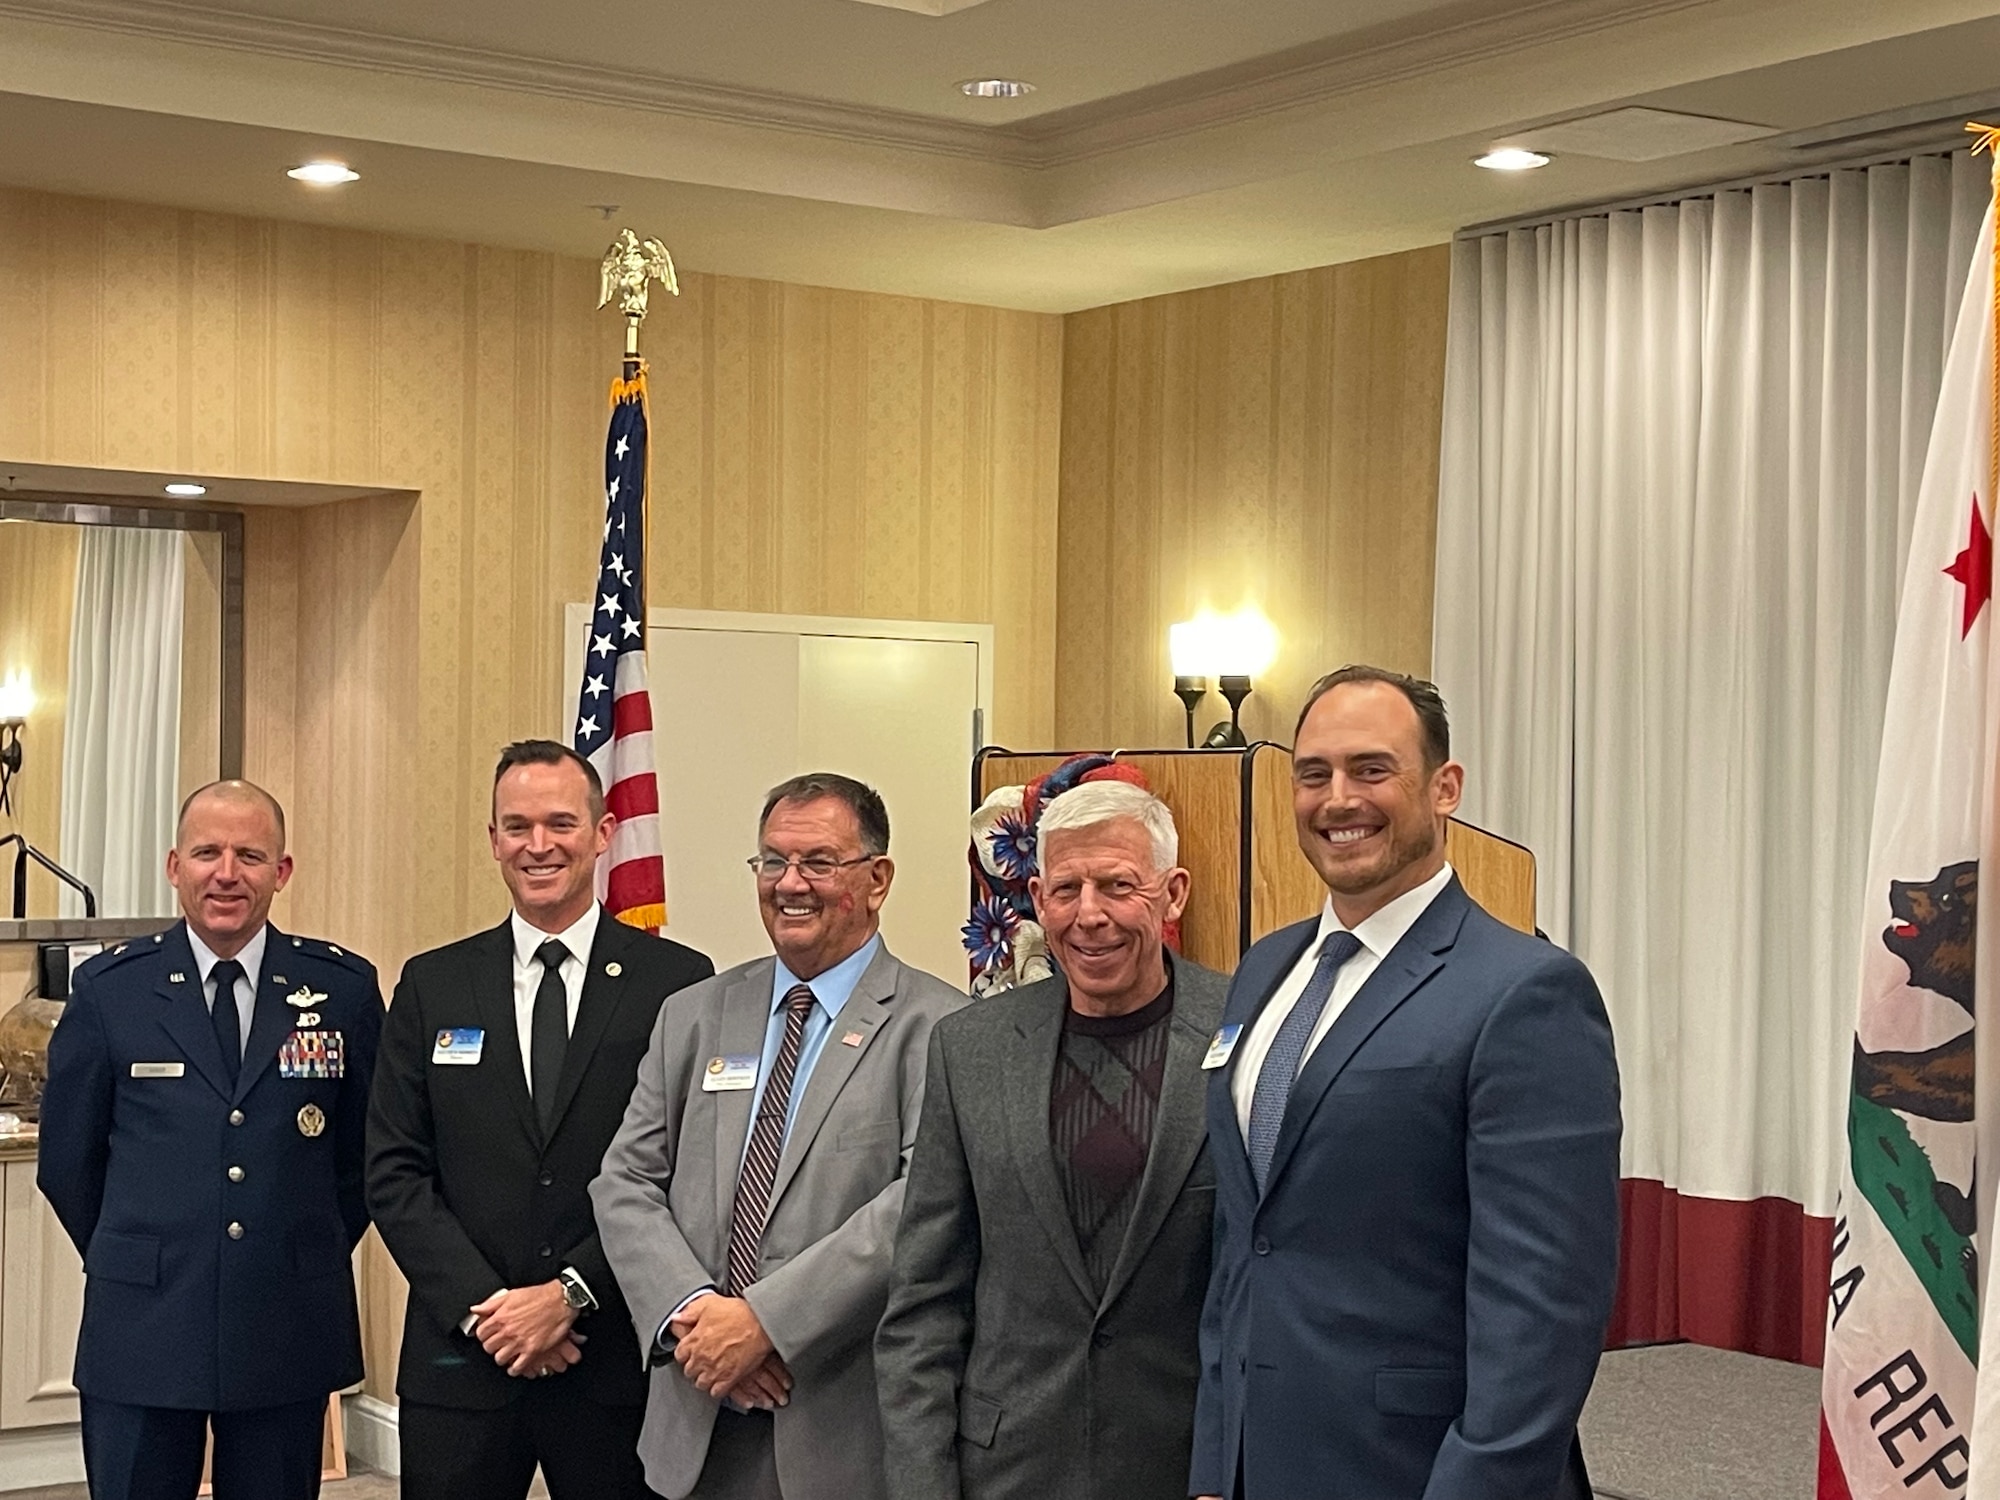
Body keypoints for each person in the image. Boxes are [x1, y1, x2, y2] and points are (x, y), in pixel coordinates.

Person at [1191, 666, 1621, 1500]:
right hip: (1259, 1463)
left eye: (1371, 769)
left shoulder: (1526, 993)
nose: (1337, 799)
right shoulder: (1262, 971)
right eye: (1313, 774)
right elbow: (1243, 1245)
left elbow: (1544, 1309)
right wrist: (1216, 1459)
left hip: (1422, 1473)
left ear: (1445, 788)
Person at [591, 772, 965, 1500]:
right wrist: (696, 1319)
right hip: (693, 1414)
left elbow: (920, 1204)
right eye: (772, 861)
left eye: (819, 862)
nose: (790, 884)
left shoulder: (939, 1028)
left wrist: (765, 1323)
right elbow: (625, 1181)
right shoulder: (693, 1014)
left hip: (835, 1425)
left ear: (877, 878)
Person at [365, 739, 713, 1500]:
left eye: (560, 822)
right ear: (493, 841)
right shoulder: (434, 983)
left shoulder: (678, 983)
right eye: (516, 826)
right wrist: (488, 1310)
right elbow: (394, 1171)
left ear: (603, 832)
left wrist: (569, 1295)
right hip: (463, 1358)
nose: (538, 845)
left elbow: (689, 1171)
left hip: (613, 1359)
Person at [876, 779, 1228, 1500]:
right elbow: (925, 1302)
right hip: (1008, 1469)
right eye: (1066, 889)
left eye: (1118, 885)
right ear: (1037, 900)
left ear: (1174, 894)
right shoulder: (968, 1050)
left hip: (1187, 1465)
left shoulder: (1248, 1029)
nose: (1088, 915)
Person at [39, 779, 383, 1500]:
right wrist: (138, 1250)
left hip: (285, 1312)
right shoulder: (110, 991)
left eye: (250, 855)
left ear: (281, 871)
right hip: (143, 1319)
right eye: (207, 853)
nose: (227, 872)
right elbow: (69, 1162)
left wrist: (292, 1243)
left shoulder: (342, 990)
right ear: (173, 866)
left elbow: (364, 1157)